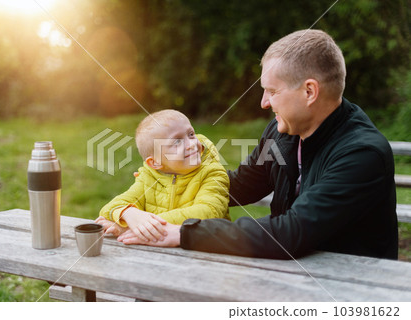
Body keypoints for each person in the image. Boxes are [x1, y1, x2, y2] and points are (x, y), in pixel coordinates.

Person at [117, 29, 398, 260]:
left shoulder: (362, 154)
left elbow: (291, 233)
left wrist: (183, 233)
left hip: (349, 285)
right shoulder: (282, 132)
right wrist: (171, 183)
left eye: (272, 91)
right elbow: (239, 185)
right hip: (288, 272)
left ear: (309, 91)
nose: (264, 102)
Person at [95, 109, 230, 242]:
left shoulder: (213, 173)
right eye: (177, 141)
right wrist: (130, 215)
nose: (191, 144)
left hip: (208, 250)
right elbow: (109, 208)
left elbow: (208, 212)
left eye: (191, 134)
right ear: (155, 162)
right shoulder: (148, 177)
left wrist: (142, 226)